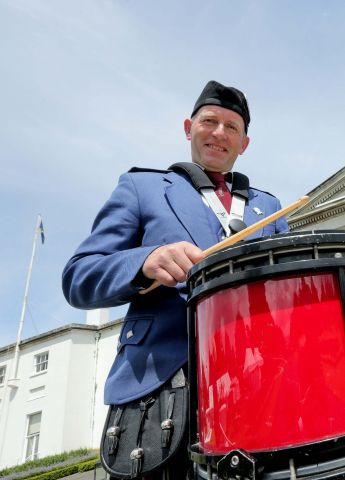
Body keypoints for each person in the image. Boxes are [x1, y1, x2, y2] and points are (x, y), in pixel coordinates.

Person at [62, 81, 289, 477]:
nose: (220, 133)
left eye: (232, 127)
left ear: (244, 143)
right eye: (209, 121)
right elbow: (78, 276)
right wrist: (145, 260)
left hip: (262, 385)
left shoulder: (267, 206)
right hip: (163, 393)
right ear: (189, 127)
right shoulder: (142, 187)